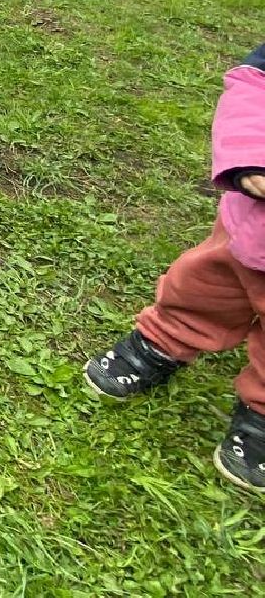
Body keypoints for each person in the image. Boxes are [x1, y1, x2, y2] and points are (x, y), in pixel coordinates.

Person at [84, 42, 265, 492]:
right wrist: (251, 158)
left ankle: (261, 414)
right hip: (253, 227)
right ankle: (162, 342)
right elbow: (253, 83)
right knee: (204, 288)